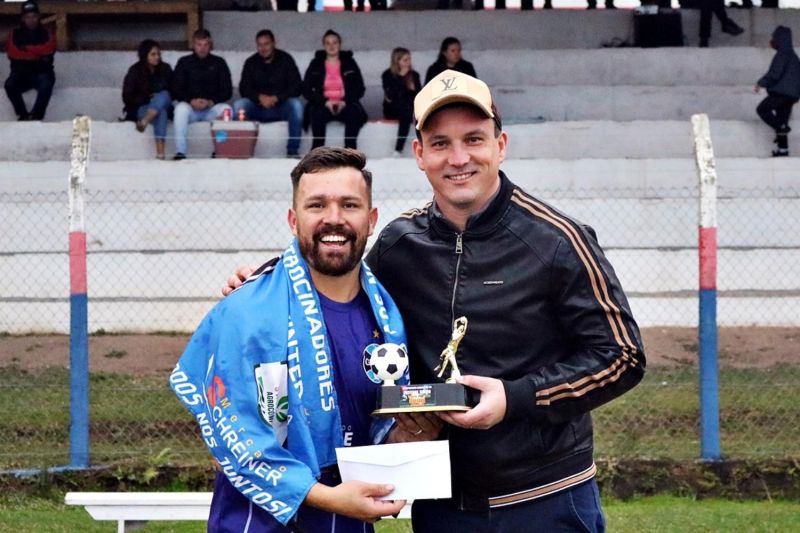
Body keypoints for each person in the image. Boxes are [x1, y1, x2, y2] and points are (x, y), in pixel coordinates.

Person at [226, 70, 646, 533]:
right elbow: (336, 269)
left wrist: (517, 397)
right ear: (420, 153)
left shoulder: (559, 240)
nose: (459, 158)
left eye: (474, 139)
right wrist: (267, 278)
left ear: (500, 145)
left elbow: (622, 357)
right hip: (443, 506)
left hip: (546, 499)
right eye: (441, 143)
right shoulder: (398, 243)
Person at [175, 147, 441, 532]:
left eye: (349, 205)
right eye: (317, 205)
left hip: (348, 522)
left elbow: (378, 434)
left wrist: (418, 429)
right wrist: (329, 498)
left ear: (371, 219)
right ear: (293, 219)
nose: (334, 219)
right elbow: (233, 445)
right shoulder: (249, 311)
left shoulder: (387, 318)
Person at [233, 29, 304, 158]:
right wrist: (259, 97)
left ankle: (292, 151)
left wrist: (277, 98)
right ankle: (241, 151)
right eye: (260, 45)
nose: (263, 48)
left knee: (296, 105)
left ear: (273, 43)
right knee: (239, 105)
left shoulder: (286, 60)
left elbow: (297, 86)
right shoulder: (251, 62)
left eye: (266, 44)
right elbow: (244, 88)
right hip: (258, 107)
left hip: (281, 107)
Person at [171, 29, 233, 160]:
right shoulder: (184, 62)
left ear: (210, 45)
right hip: (190, 109)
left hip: (211, 109)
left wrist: (211, 102)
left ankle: (220, 149)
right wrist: (190, 101)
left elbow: (227, 90)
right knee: (180, 109)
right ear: (193, 44)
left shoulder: (219, 63)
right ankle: (180, 152)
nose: (202, 48)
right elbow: (176, 88)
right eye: (199, 44)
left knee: (227, 110)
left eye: (206, 44)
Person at [303, 30, 367, 151]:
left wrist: (345, 101)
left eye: (334, 42)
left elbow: (360, 88)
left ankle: (350, 152)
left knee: (353, 113)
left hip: (345, 103)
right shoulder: (316, 63)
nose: (331, 46)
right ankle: (317, 153)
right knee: (317, 113)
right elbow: (306, 89)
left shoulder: (349, 63)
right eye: (328, 43)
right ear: (324, 46)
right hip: (323, 104)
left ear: (340, 44)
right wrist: (324, 101)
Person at [4, 0, 56, 121]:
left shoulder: (47, 32)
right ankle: (23, 115)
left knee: (46, 85)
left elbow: (49, 49)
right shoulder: (15, 33)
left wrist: (26, 49)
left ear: (38, 17)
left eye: (34, 16)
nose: (31, 20)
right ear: (23, 18)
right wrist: (37, 54)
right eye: (27, 17)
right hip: (21, 74)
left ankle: (36, 116)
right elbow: (13, 52)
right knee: (9, 85)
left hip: (42, 73)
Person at [122, 39, 173, 160]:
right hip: (141, 107)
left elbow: (174, 90)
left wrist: (157, 98)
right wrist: (147, 98)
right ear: (145, 55)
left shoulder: (165, 69)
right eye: (153, 54)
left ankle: (146, 120)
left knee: (164, 94)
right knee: (161, 112)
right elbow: (127, 97)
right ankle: (160, 153)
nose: (157, 57)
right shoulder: (135, 71)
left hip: (162, 105)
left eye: (158, 54)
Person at [755, 26, 800, 158]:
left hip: (780, 93)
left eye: (774, 38)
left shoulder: (782, 55)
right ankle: (783, 150)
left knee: (762, 109)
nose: (772, 41)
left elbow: (774, 74)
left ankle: (780, 127)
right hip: (792, 96)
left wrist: (761, 83)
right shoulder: (794, 57)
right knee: (782, 120)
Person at [381, 47, 421, 156]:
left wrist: (413, 89)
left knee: (409, 112)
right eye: (405, 60)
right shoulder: (387, 75)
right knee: (406, 111)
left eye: (409, 59)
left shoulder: (414, 75)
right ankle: (398, 149)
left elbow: (419, 96)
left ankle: (423, 145)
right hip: (392, 108)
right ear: (397, 61)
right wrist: (400, 78)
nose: (408, 63)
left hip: (409, 109)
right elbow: (391, 95)